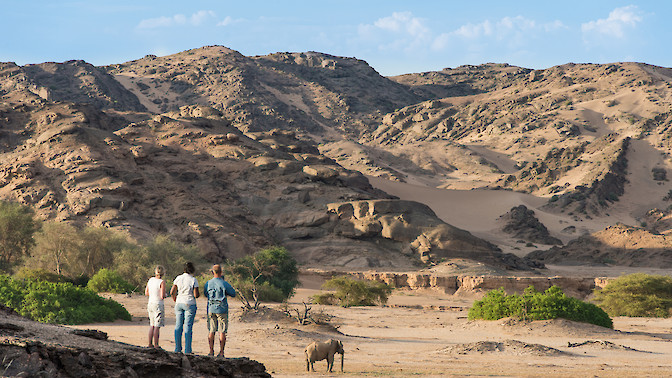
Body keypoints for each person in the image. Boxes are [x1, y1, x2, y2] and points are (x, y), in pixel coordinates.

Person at [204, 264, 236, 357]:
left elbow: (206, 294)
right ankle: (221, 352)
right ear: (221, 272)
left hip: (211, 308)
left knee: (211, 330)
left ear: (212, 272)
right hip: (222, 308)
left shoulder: (208, 283)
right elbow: (233, 293)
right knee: (222, 331)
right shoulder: (224, 283)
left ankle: (211, 351)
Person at [170, 261, 199, 354]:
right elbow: (196, 294)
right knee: (188, 326)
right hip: (189, 303)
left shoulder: (178, 278)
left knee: (178, 326)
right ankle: (188, 350)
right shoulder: (193, 280)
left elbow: (172, 291)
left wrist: (175, 299)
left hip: (179, 302)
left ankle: (177, 349)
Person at [144, 265, 166, 348]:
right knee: (157, 325)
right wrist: (165, 294)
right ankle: (156, 344)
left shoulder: (151, 280)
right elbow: (162, 296)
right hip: (158, 304)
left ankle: (150, 343)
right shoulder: (161, 282)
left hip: (151, 303)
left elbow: (146, 292)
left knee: (152, 324)